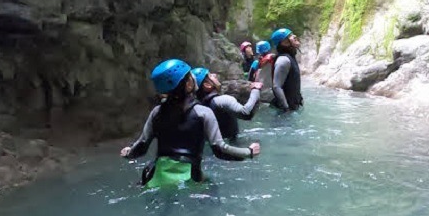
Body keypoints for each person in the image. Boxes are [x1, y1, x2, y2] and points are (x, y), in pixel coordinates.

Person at [119, 59, 260, 187]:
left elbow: (142, 146)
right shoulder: (203, 113)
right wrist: (249, 152)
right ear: (188, 83)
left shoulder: (157, 112)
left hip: (155, 176)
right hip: (190, 177)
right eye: (190, 75)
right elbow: (220, 150)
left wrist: (128, 153)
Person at [192, 67, 261, 140]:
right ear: (207, 85)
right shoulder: (223, 100)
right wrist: (255, 90)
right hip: (232, 145)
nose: (214, 75)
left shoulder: (199, 105)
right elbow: (246, 113)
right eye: (210, 76)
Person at [270, 28, 303, 112]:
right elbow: (276, 86)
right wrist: (286, 108)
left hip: (293, 107)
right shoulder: (283, 60)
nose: (294, 36)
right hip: (286, 111)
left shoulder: (290, 57)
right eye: (290, 36)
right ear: (284, 42)